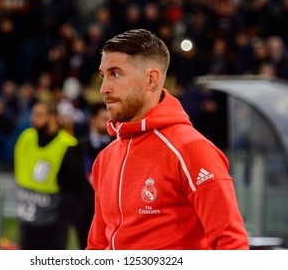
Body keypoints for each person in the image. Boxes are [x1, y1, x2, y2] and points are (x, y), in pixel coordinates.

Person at [87, 29, 249, 250]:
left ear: (151, 79)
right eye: (103, 75)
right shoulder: (106, 157)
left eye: (115, 73)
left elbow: (231, 244)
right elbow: (97, 245)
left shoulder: (192, 149)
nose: (104, 88)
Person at [14, 101, 78, 250]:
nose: (33, 118)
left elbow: (72, 188)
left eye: (39, 115)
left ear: (53, 118)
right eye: (33, 114)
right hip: (27, 219)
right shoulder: (25, 137)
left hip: (53, 223)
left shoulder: (68, 145)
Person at [60, 102, 112, 249]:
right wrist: (72, 209)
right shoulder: (75, 150)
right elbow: (63, 180)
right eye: (104, 119)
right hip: (82, 214)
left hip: (109, 217)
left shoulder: (118, 148)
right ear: (92, 120)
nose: (108, 123)